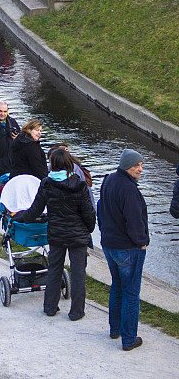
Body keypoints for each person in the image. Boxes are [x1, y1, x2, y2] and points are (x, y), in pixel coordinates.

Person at [14, 147, 96, 320]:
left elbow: (34, 211)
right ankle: (76, 312)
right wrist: (87, 230)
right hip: (77, 235)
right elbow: (89, 214)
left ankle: (50, 307)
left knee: (54, 270)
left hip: (57, 233)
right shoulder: (80, 184)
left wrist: (19, 217)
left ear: (52, 164)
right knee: (78, 273)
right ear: (69, 164)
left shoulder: (46, 184)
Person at [97, 149, 149, 351]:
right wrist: (142, 241)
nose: (140, 169)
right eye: (136, 165)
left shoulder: (109, 180)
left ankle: (115, 329)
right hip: (128, 248)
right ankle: (129, 339)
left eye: (141, 165)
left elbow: (101, 209)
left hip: (109, 245)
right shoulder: (129, 189)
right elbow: (134, 220)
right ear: (126, 165)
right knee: (131, 293)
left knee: (117, 286)